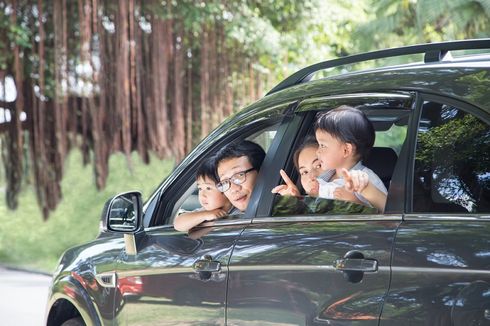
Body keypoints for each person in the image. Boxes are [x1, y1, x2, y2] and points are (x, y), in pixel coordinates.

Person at [272, 136, 375, 215]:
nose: (312, 176)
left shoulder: (359, 184)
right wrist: (295, 202)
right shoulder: (308, 203)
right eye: (304, 172)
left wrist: (354, 202)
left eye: (318, 165)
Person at [314, 105, 387, 212]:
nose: (317, 151)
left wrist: (356, 203)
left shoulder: (365, 179)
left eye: (323, 145)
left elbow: (388, 213)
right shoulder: (322, 176)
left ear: (346, 150)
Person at [173, 159, 233, 232]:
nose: (202, 195)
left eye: (208, 188)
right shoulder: (205, 212)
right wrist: (205, 215)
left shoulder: (238, 211)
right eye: (200, 188)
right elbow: (178, 224)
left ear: (225, 187)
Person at [214, 140, 266, 212]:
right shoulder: (227, 213)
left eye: (239, 175)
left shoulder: (283, 207)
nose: (234, 189)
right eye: (224, 182)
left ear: (262, 171)